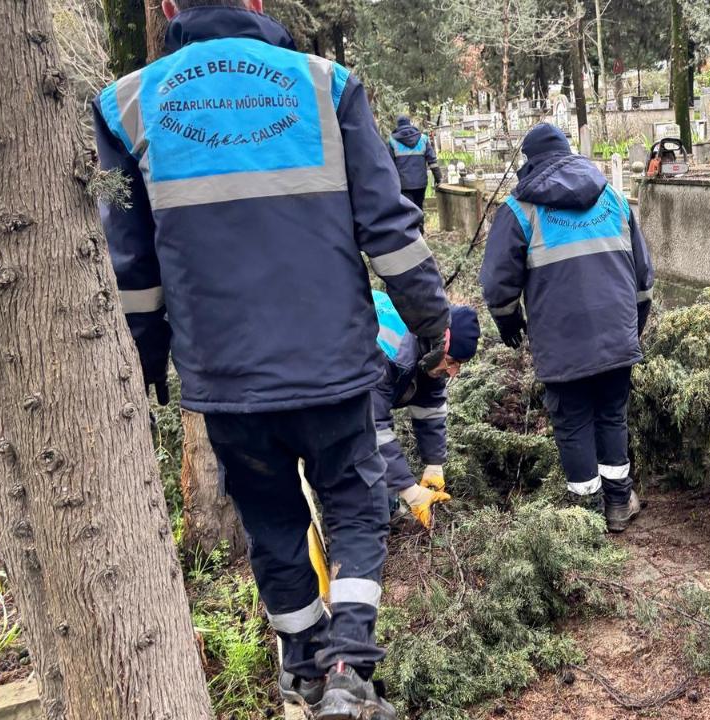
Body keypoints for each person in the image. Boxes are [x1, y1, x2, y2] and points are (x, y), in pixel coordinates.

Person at [92, 0, 448, 717]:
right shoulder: (325, 84)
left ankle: (303, 667)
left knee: (271, 521)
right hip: (332, 368)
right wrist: (432, 326)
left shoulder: (126, 103)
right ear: (257, 1)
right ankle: (350, 664)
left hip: (224, 378)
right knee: (353, 506)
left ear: (168, 6)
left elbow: (134, 268)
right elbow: (388, 231)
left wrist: (150, 365)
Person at [479, 123, 655, 533]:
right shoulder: (612, 198)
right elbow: (644, 277)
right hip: (616, 333)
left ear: (529, 160)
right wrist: (634, 327)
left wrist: (509, 323)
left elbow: (496, 284)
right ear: (569, 152)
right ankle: (617, 504)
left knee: (573, 421)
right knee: (612, 415)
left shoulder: (519, 210)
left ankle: (584, 519)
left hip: (561, 342)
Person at [371, 291, 480, 528]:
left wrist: (434, 463)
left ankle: (387, 512)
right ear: (438, 343)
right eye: (451, 362)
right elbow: (371, 427)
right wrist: (409, 489)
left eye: (458, 365)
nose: (453, 372)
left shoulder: (430, 352)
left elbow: (430, 407)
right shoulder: (386, 355)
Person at [389, 116, 441, 217]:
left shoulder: (393, 141)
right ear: (410, 123)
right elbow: (432, 162)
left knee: (407, 212)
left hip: (403, 184)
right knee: (419, 208)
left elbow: (389, 165)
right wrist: (439, 179)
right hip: (420, 183)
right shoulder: (423, 139)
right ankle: (420, 230)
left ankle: (411, 231)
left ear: (398, 125)